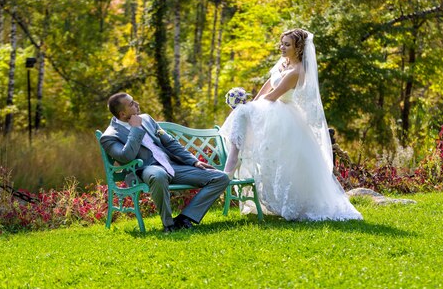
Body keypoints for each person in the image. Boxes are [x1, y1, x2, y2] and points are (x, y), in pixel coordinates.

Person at [219, 29, 363, 221]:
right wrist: (253, 103)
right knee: (246, 116)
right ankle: (235, 157)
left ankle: (233, 162)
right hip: (272, 110)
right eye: (282, 43)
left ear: (299, 48)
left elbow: (273, 95)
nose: (282, 47)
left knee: (284, 160)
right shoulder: (284, 63)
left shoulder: (297, 71)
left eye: (287, 45)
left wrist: (248, 108)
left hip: (283, 112)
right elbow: (266, 87)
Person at [100, 93, 230, 232]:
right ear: (123, 113)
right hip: (144, 170)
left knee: (221, 178)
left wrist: (194, 162)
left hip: (171, 166)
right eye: (131, 103)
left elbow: (170, 143)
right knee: (158, 174)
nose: (137, 103)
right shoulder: (109, 136)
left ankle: (184, 218)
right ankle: (169, 224)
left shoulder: (147, 119)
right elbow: (126, 157)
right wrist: (136, 129)